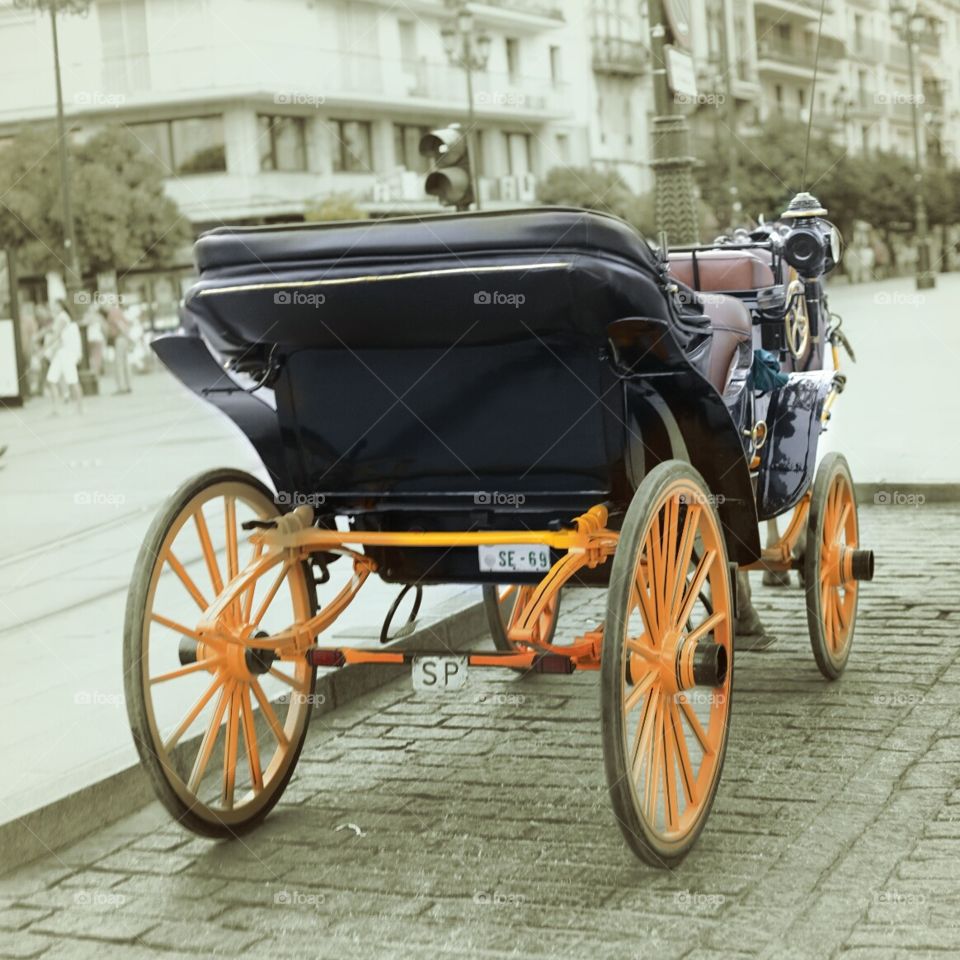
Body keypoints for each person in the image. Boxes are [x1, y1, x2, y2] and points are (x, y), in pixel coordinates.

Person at [45, 300, 84, 415]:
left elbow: (56, 335)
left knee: (72, 380)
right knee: (51, 379)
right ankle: (55, 409)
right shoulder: (60, 318)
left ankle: (79, 407)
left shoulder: (62, 317)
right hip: (60, 353)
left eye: (56, 305)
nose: (54, 308)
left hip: (67, 354)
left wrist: (44, 349)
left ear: (62, 306)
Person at [101, 298, 132, 394]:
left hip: (119, 338)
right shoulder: (118, 311)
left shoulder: (113, 313)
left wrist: (127, 337)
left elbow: (120, 325)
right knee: (125, 363)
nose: (103, 306)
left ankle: (121, 387)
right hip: (122, 338)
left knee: (119, 364)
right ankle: (127, 385)